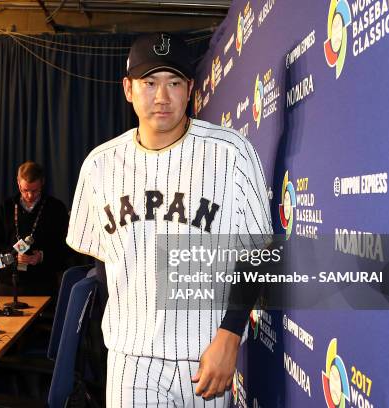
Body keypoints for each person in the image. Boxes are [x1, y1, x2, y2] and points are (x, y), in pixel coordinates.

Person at [66, 33, 273, 407]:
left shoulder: (232, 154)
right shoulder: (99, 165)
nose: (162, 97)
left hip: (205, 354)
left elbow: (257, 254)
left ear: (190, 88)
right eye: (149, 82)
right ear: (128, 88)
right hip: (131, 360)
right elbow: (100, 261)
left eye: (174, 82)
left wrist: (229, 337)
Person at [0, 161, 70, 296]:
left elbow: (66, 248)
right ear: (18, 183)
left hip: (42, 284)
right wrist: (14, 256)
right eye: (25, 190)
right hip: (8, 284)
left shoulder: (56, 208)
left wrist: (42, 256)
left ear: (42, 183)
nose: (30, 196)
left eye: (35, 191)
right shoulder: (6, 207)